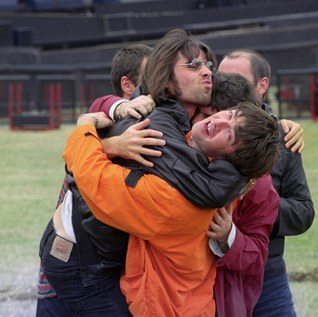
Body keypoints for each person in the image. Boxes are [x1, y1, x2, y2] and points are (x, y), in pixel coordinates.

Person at [39, 29, 280, 316]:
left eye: (228, 132)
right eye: (212, 115)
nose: (211, 122)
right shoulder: (177, 140)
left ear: (234, 155)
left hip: (145, 291)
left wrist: (83, 129)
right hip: (90, 258)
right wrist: (112, 136)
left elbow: (95, 177)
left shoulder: (187, 188)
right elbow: (114, 105)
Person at [36, 44, 155, 316]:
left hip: (88, 259)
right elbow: (101, 105)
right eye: (153, 74)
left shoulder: (148, 121)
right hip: (74, 257)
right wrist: (123, 108)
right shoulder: (108, 117)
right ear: (128, 84)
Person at [218, 49, 315, 316]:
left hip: (267, 277)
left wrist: (254, 206)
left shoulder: (284, 137)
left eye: (237, 79)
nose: (228, 86)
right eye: (221, 79)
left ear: (262, 86)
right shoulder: (204, 126)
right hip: (212, 276)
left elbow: (303, 211)